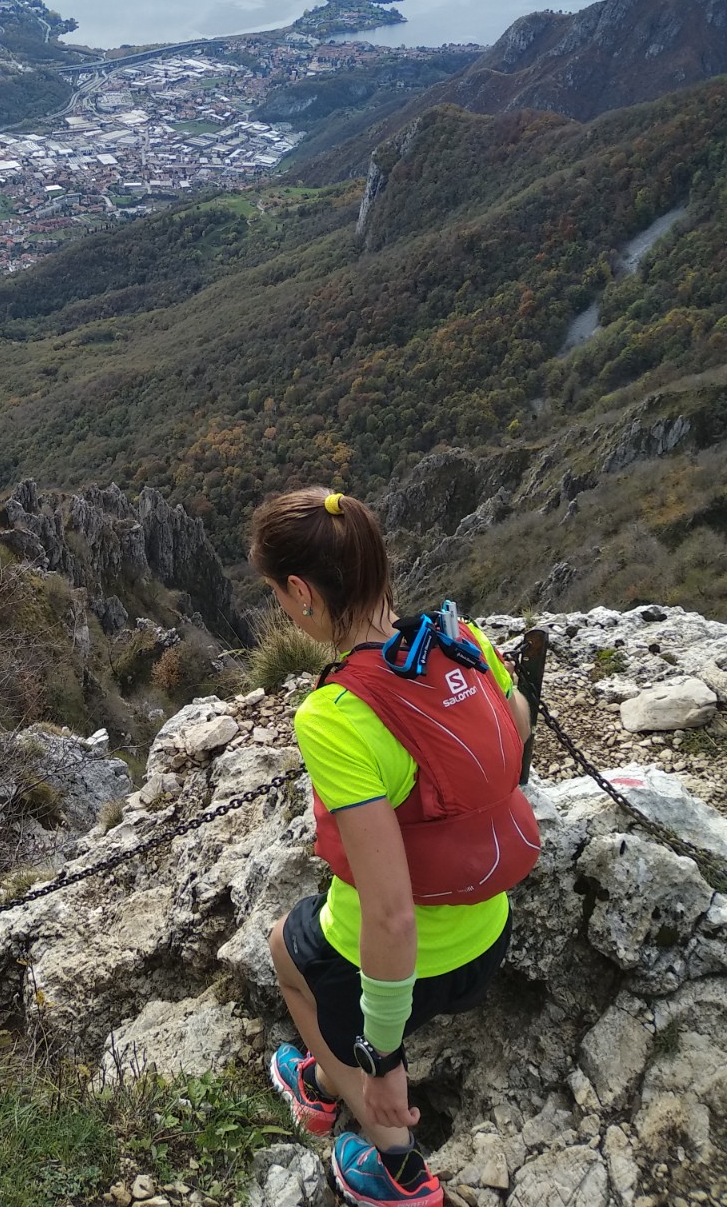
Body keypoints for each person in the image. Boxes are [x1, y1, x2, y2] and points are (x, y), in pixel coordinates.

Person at [250, 488, 538, 1207]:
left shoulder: (337, 713)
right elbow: (520, 724)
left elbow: (389, 915)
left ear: (301, 593)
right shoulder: (459, 638)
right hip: (489, 938)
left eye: (280, 600)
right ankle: (321, 1079)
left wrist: (382, 1062)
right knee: (315, 951)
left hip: (406, 970)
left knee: (289, 957)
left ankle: (397, 1169)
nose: (285, 613)